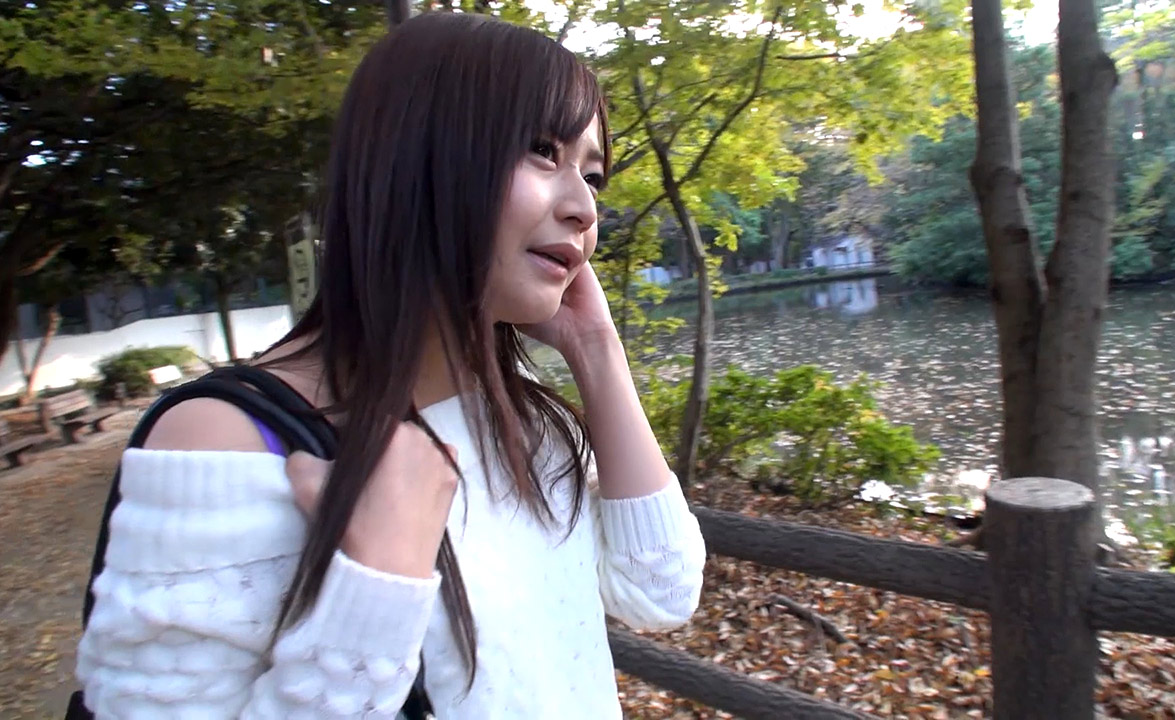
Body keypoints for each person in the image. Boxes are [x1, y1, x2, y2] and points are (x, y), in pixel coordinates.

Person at [74, 11, 706, 719]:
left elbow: (661, 593)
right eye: (540, 150)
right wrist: (377, 586)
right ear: (419, 158)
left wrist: (596, 349)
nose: (585, 208)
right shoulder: (227, 442)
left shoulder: (522, 412)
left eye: (592, 176)